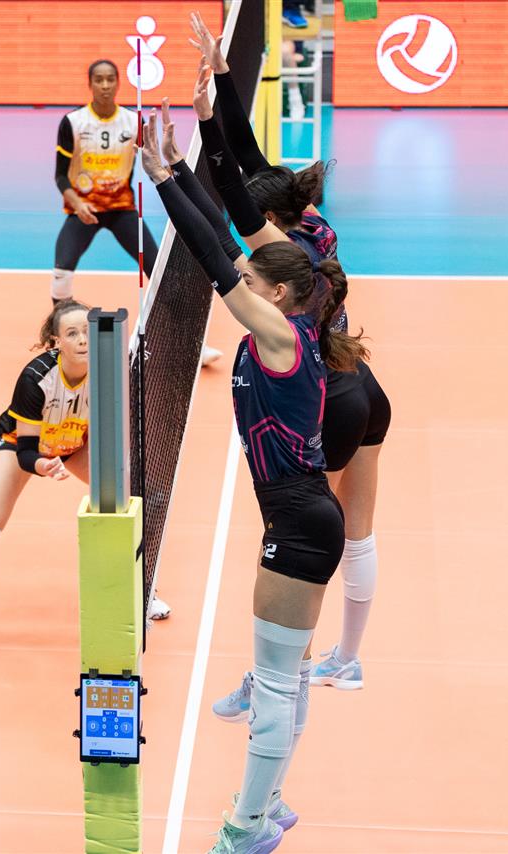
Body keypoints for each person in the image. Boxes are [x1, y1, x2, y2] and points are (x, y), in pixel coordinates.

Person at [140, 108, 365, 852]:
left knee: (275, 681)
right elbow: (225, 237)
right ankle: (270, 802)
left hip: (299, 521)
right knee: (285, 677)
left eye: (250, 279)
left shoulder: (276, 334)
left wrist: (164, 183)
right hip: (300, 516)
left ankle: (249, 827)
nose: (241, 277)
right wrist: (176, 169)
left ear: (274, 295)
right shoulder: (293, 317)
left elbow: (213, 257)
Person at [188, 13, 392, 693]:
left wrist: (204, 124)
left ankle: (283, 671)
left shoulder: (281, 254)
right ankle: (348, 659)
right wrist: (221, 77)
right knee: (358, 532)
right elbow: (251, 166)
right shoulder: (313, 223)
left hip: (326, 401)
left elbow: (230, 187)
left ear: (267, 223)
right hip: (364, 388)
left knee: (300, 532)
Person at [0, 300, 171, 650]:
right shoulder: (35, 379)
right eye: (71, 333)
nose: (82, 339)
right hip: (21, 443)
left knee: (129, 502)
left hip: (74, 442)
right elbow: (27, 450)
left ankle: (141, 589)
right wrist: (42, 465)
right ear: (56, 341)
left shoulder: (109, 369)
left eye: (86, 331)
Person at [52, 60, 222, 367]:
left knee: (159, 269)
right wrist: (77, 204)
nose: (105, 85)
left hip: (122, 210)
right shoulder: (73, 122)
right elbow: (61, 176)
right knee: (61, 274)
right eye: (99, 80)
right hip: (84, 211)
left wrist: (177, 170)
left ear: (118, 83)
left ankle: (192, 344)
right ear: (90, 83)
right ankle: (57, 341)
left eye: (110, 79)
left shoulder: (132, 121)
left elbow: (153, 157)